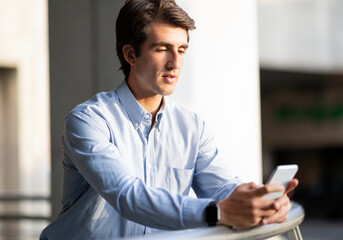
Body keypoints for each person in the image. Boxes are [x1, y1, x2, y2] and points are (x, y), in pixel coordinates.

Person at [40, 0, 298, 239]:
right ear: (130, 55)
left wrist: (262, 201)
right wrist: (217, 213)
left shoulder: (192, 127)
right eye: (162, 48)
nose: (175, 63)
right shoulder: (89, 120)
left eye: (182, 49)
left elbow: (222, 188)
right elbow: (127, 195)